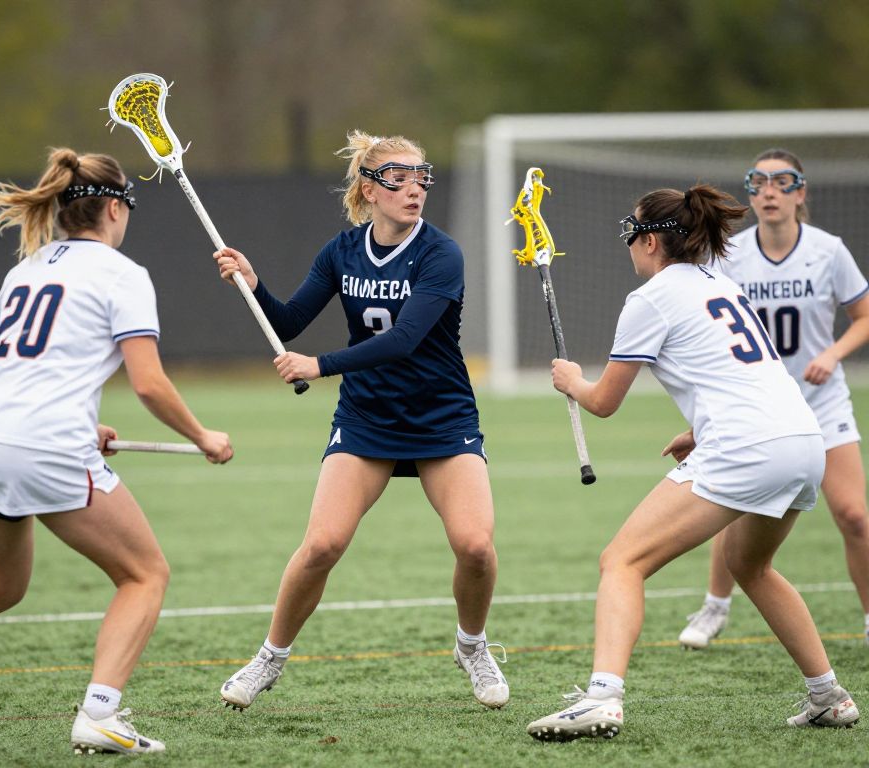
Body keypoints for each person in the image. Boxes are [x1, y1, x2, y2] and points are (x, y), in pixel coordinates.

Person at [0, 148, 233, 754]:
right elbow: (151, 384)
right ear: (112, 208)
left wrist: (88, 420)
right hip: (44, 445)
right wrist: (203, 436)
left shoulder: (23, 270)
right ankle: (100, 714)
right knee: (144, 574)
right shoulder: (123, 274)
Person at [526, 183, 860, 742]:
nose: (628, 244)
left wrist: (570, 380)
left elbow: (604, 402)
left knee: (622, 561)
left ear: (652, 241)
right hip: (803, 439)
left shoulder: (650, 298)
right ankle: (829, 695)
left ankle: (602, 698)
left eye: (632, 232)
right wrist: (700, 431)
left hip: (749, 447)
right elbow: (744, 378)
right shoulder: (721, 283)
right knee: (749, 565)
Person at [211, 130, 507, 711]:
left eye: (422, 176)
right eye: (398, 177)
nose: (415, 188)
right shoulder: (341, 251)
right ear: (369, 188)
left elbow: (404, 340)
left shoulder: (441, 253)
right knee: (322, 544)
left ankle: (472, 646)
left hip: (441, 418)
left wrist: (320, 365)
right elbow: (289, 320)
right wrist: (253, 285)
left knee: (475, 545)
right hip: (367, 418)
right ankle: (270, 656)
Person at [677, 149, 869, 650]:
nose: (768, 191)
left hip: (821, 402)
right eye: (758, 182)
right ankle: (715, 606)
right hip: (757, 406)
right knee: (735, 505)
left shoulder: (828, 251)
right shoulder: (730, 257)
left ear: (800, 193)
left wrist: (832, 353)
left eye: (782, 182)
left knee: (854, 516)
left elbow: (864, 316)